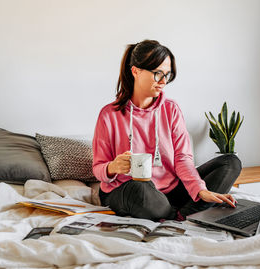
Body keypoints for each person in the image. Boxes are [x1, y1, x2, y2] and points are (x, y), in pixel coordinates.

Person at [92, 40, 242, 221]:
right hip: (127, 191)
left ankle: (180, 215)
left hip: (170, 192)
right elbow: (98, 168)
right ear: (135, 71)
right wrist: (113, 167)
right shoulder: (109, 114)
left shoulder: (171, 109)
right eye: (157, 74)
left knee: (230, 162)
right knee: (140, 188)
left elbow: (182, 159)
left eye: (167, 75)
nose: (163, 81)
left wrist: (200, 190)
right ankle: (187, 214)